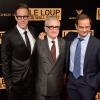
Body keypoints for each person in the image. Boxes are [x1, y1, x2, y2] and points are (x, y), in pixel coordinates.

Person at [1, 3, 36, 100]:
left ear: (29, 17)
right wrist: (9, 85)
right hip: (16, 84)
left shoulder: (33, 31)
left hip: (32, 83)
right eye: (19, 17)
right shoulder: (8, 36)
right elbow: (5, 62)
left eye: (25, 16)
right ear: (16, 18)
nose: (22, 19)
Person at [65, 13, 100, 100]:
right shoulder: (70, 37)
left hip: (88, 83)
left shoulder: (97, 44)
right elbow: (55, 40)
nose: (84, 30)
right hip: (72, 81)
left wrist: (94, 83)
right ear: (76, 26)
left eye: (87, 27)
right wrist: (44, 36)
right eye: (81, 27)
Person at [32, 16, 65, 100]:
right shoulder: (39, 42)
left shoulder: (63, 42)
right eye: (50, 27)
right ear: (45, 28)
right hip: (43, 88)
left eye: (56, 27)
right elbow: (33, 64)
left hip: (57, 87)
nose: (54, 30)